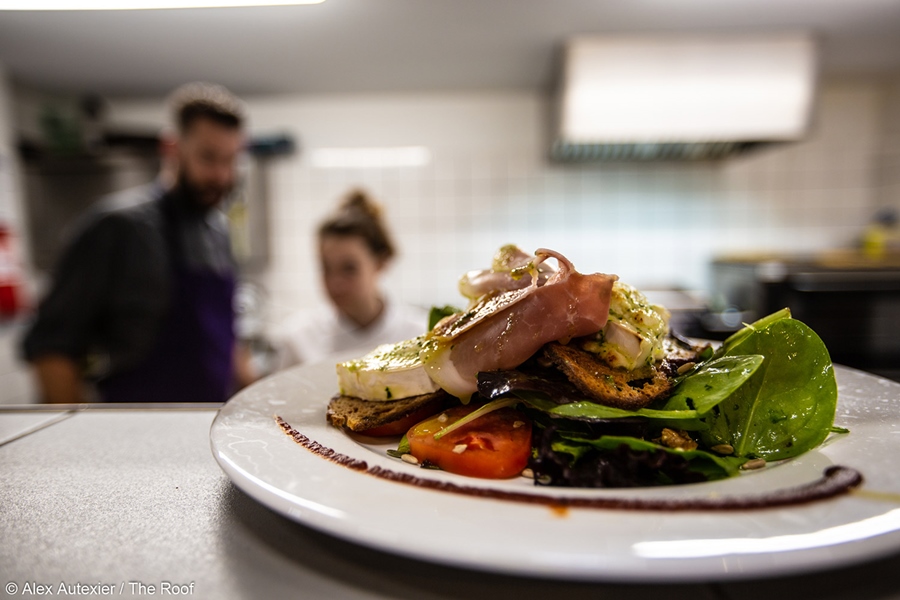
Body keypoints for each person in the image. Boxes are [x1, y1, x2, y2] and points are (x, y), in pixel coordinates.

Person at [21, 81, 254, 403]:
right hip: (131, 431)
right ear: (172, 149)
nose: (221, 176)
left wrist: (257, 404)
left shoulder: (220, 232)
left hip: (209, 424)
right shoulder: (116, 227)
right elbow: (51, 347)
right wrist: (78, 443)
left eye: (230, 161)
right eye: (208, 158)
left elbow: (226, 340)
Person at [274, 190, 428, 368]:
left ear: (380, 262)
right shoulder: (298, 339)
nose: (335, 282)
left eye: (349, 269)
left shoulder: (420, 336)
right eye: (326, 268)